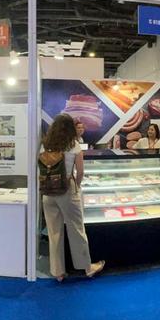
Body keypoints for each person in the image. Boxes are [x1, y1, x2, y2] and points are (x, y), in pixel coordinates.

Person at [39, 114, 105, 282]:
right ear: (70, 128)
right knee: (76, 230)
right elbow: (80, 171)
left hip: (48, 191)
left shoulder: (45, 144)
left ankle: (58, 272)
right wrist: (77, 186)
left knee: (54, 232)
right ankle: (87, 268)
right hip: (67, 190)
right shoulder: (73, 145)